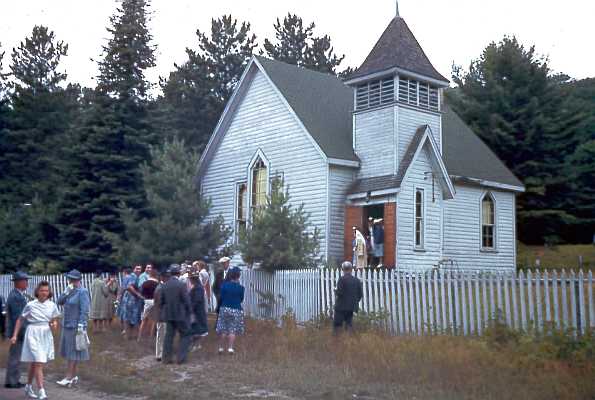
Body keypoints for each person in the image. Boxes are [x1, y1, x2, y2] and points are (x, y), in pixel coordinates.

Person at [10, 281, 60, 400]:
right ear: (37, 291)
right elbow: (20, 320)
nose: (44, 293)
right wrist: (15, 335)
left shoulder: (52, 305)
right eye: (42, 290)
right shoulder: (31, 305)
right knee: (38, 361)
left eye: (46, 291)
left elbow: (54, 319)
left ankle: (28, 386)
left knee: (34, 362)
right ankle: (42, 391)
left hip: (45, 334)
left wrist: (54, 325)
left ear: (49, 292)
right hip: (33, 333)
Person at [56, 269, 90, 388]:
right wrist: (66, 292)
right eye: (69, 279)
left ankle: (69, 377)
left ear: (78, 280)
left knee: (73, 352)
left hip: (76, 326)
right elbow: (59, 302)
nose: (70, 281)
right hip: (67, 324)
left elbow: (84, 310)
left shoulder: (82, 292)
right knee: (71, 352)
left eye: (73, 279)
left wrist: (81, 325)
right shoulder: (70, 290)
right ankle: (73, 376)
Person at [159, 265, 192, 364]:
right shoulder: (181, 285)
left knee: (169, 336)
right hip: (180, 314)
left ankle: (166, 358)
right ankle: (181, 358)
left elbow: (161, 302)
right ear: (178, 273)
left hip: (169, 314)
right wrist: (190, 311)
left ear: (170, 274)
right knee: (185, 334)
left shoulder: (164, 285)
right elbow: (186, 300)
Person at [4, 271, 31, 389]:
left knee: (16, 356)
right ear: (18, 282)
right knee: (15, 356)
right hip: (18, 331)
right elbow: (18, 317)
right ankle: (11, 381)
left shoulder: (17, 294)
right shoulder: (16, 297)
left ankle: (14, 379)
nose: (27, 283)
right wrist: (22, 331)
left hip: (17, 331)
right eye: (25, 281)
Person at [216, 267, 245, 355]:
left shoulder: (224, 286)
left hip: (225, 307)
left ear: (230, 276)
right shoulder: (241, 288)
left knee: (223, 329)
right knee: (232, 329)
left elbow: (221, 297)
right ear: (238, 276)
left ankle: (221, 348)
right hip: (236, 309)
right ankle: (230, 348)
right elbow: (241, 299)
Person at [333, 261, 363, 334]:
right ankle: (349, 340)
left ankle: (337, 341)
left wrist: (335, 291)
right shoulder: (357, 280)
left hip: (341, 307)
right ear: (351, 269)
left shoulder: (342, 279)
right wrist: (354, 301)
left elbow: (340, 293)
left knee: (337, 325)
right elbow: (360, 294)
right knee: (349, 325)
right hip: (351, 307)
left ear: (343, 269)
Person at [120, 265, 144, 340]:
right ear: (134, 269)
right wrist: (138, 295)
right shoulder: (133, 276)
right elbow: (129, 287)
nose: (138, 270)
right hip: (131, 299)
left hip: (127, 299)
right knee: (130, 318)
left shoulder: (129, 276)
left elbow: (122, 288)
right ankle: (129, 336)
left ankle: (128, 335)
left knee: (128, 317)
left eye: (140, 269)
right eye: (137, 268)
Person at [137, 268, 159, 341]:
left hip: (147, 301)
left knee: (144, 320)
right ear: (156, 275)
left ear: (150, 275)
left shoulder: (145, 283)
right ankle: (151, 336)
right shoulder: (158, 284)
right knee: (154, 320)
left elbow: (142, 293)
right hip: (155, 301)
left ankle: (139, 337)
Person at [188, 272, 208, 351]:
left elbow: (197, 299)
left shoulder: (198, 288)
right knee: (195, 328)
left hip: (197, 311)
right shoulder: (195, 287)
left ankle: (196, 345)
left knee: (197, 329)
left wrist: (191, 308)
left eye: (190, 278)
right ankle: (195, 345)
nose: (189, 280)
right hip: (195, 311)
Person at [153, 269, 169, 362]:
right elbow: (159, 303)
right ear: (162, 277)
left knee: (162, 335)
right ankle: (160, 354)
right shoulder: (160, 288)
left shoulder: (162, 287)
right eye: (166, 276)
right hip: (162, 315)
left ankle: (161, 353)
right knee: (161, 335)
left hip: (162, 314)